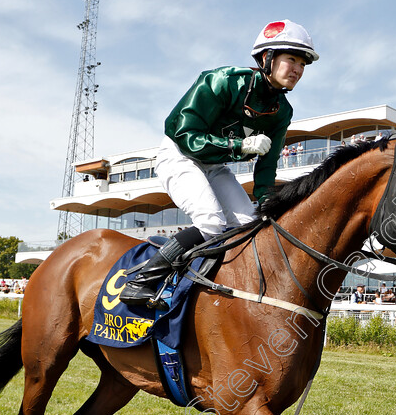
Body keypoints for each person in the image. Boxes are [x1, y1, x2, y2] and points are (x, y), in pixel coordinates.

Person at [120, 19, 319, 308]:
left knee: (250, 226)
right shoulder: (222, 81)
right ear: (267, 57)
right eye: (292, 59)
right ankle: (141, 283)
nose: (298, 70)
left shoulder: (281, 111)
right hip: (179, 155)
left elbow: (267, 168)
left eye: (303, 64)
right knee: (211, 223)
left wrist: (269, 204)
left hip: (215, 167)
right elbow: (183, 132)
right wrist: (238, 145)